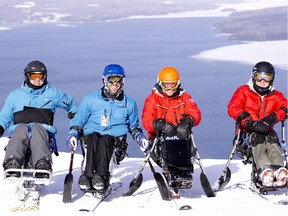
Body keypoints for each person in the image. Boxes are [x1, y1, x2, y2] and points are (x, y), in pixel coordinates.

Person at [66, 64, 149, 194]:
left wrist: (140, 137)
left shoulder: (129, 104)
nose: (115, 84)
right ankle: (87, 176)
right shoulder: (91, 99)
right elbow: (79, 119)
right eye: (111, 80)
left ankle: (102, 176)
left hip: (115, 143)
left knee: (105, 138)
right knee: (93, 136)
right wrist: (73, 133)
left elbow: (134, 126)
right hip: (92, 138)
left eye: (118, 80)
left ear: (123, 82)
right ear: (105, 80)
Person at [0, 60, 78, 178]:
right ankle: (13, 161)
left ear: (45, 76)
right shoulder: (15, 96)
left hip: (43, 130)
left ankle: (43, 163)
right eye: (34, 76)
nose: (37, 80)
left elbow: (72, 105)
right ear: (27, 76)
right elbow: (4, 117)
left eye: (40, 76)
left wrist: (75, 120)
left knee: (37, 129)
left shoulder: (53, 94)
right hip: (20, 130)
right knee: (21, 129)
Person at [141, 66, 201, 196]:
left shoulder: (184, 97)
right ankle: (172, 171)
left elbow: (194, 111)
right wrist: (159, 124)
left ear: (178, 84)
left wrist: (188, 121)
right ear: (160, 83)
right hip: (160, 137)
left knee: (183, 136)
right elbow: (146, 119)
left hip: (180, 136)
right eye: (166, 85)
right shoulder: (152, 99)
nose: (169, 89)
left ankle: (184, 171)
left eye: (172, 85)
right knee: (169, 138)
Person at [228, 61, 288, 188]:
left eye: (267, 78)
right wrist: (249, 122)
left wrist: (271, 119)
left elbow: (285, 107)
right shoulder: (244, 91)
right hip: (247, 132)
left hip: (267, 129)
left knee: (272, 138)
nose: (263, 81)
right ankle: (264, 170)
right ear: (253, 77)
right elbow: (233, 108)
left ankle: (279, 169)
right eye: (259, 77)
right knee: (258, 137)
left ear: (272, 79)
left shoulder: (275, 95)